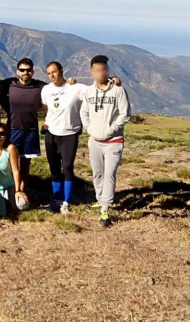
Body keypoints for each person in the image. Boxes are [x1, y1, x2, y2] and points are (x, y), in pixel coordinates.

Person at [80, 55, 131, 227]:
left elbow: (125, 114)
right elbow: (83, 112)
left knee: (109, 174)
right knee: (97, 173)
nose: (101, 73)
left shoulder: (118, 90)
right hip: (94, 140)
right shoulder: (88, 91)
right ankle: (100, 199)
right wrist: (88, 128)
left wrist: (111, 129)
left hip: (113, 141)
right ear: (92, 72)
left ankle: (105, 208)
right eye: (98, 70)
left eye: (104, 69)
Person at [41, 61, 87, 214]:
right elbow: (47, 107)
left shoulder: (75, 88)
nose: (52, 75)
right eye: (49, 73)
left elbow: (96, 90)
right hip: (51, 133)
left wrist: (112, 81)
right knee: (54, 168)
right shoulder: (46, 90)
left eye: (54, 72)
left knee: (67, 167)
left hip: (69, 134)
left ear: (61, 71)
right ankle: (56, 200)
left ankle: (66, 202)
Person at [2, 58, 46, 195]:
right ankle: (10, 190)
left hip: (31, 130)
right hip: (13, 129)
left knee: (25, 164)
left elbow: (58, 88)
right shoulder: (9, 84)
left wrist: (69, 82)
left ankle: (22, 191)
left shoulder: (40, 86)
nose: (25, 72)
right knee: (9, 163)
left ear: (32, 72)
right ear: (17, 71)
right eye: (22, 70)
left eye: (28, 70)